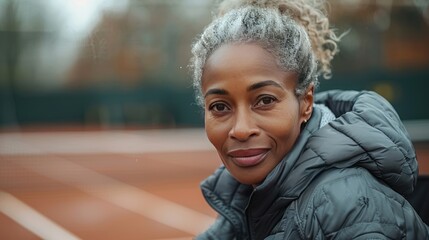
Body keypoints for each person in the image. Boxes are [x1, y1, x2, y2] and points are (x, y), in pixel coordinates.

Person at [189, 0, 429, 239]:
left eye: (265, 101)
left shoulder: (349, 207)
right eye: (220, 106)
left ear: (306, 102)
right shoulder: (245, 195)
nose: (241, 130)